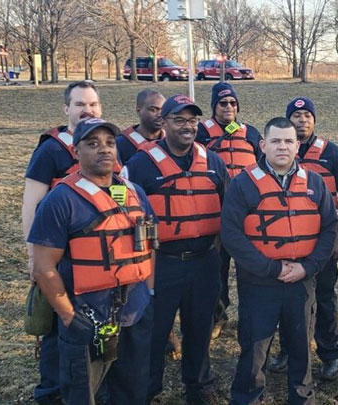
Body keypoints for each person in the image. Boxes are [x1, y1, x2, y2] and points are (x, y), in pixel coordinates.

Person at [29, 118, 156, 405]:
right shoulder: (60, 199)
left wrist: (149, 292)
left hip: (135, 312)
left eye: (110, 143)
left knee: (134, 391)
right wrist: (68, 316)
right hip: (86, 316)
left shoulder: (135, 193)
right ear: (76, 152)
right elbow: (43, 267)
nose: (104, 150)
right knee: (83, 394)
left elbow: (150, 247)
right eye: (93, 144)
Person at [122, 94, 229, 405]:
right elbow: (126, 216)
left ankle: (199, 388)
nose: (187, 127)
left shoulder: (213, 162)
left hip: (205, 260)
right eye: (179, 120)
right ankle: (147, 390)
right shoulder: (140, 164)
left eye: (192, 121)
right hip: (162, 263)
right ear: (163, 123)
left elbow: (230, 208)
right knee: (155, 333)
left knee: (199, 330)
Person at [223, 117, 338, 405]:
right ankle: (247, 397)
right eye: (275, 141)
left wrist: (307, 267)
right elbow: (231, 235)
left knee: (301, 348)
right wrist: (271, 268)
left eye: (288, 141)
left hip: (302, 280)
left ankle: (302, 398)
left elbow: (329, 228)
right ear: (263, 145)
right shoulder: (242, 184)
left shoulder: (315, 183)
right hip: (260, 282)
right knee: (255, 349)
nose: (282, 147)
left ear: (297, 145)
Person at [22, 80, 120, 405]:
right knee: (57, 330)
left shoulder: (107, 145)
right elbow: (31, 203)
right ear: (66, 109)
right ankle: (52, 392)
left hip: (101, 258)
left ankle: (97, 388)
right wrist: (33, 258)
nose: (87, 110)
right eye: (80, 104)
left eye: (92, 104)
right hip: (60, 254)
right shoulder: (51, 149)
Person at [267, 97, 338, 380]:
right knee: (288, 302)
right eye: (296, 115)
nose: (302, 120)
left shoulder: (332, 153)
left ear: (314, 120)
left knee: (324, 300)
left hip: (323, 243)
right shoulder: (277, 152)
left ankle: (329, 354)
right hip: (288, 242)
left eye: (307, 115)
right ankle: (287, 351)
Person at [196, 82, 263, 339]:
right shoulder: (202, 133)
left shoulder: (251, 133)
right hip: (216, 214)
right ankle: (218, 315)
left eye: (233, 103)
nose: (228, 107)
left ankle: (252, 316)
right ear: (214, 106)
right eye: (223, 103)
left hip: (249, 215)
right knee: (217, 270)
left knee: (251, 269)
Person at [117, 90, 166, 165]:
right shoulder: (121, 143)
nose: (159, 115)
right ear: (139, 110)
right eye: (153, 110)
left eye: (163, 110)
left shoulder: (171, 141)